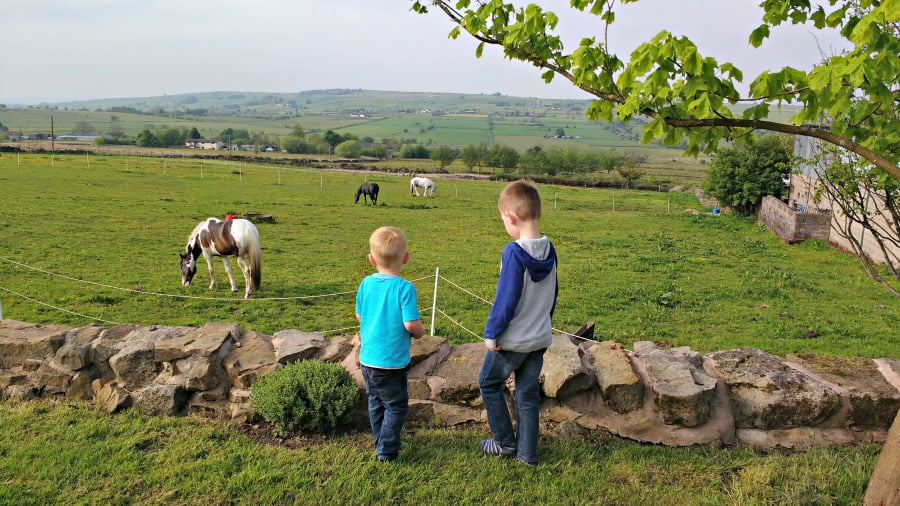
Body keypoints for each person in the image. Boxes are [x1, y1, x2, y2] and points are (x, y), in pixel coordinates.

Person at [478, 179, 558, 467]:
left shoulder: (513, 252)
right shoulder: (550, 249)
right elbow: (553, 293)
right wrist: (544, 324)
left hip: (512, 341)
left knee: (487, 382)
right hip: (539, 338)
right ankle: (527, 454)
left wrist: (492, 334)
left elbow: (506, 299)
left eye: (503, 219)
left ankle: (504, 442)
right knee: (526, 394)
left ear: (511, 217)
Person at [356, 226, 426, 463]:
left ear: (371, 259)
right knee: (396, 406)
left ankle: (383, 440)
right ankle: (386, 450)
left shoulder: (366, 284)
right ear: (406, 257)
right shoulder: (404, 288)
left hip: (367, 359)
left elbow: (359, 315)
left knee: (376, 402)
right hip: (392, 363)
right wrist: (420, 332)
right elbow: (410, 324)